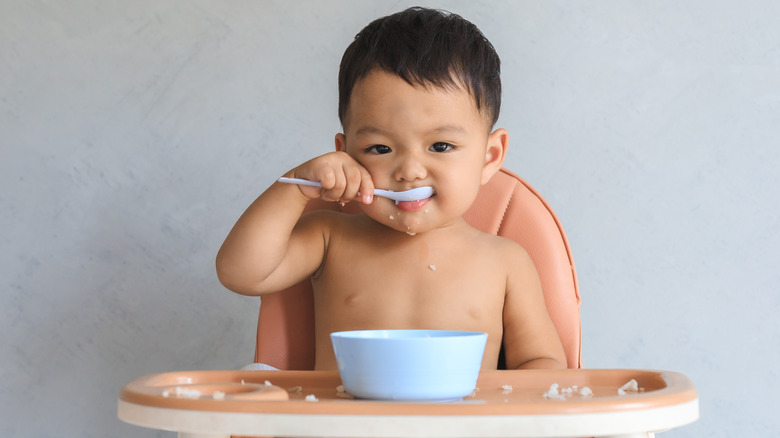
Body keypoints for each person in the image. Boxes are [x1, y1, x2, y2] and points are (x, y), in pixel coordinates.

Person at [216, 7, 566, 371]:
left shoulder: (506, 261)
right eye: (380, 149)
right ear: (345, 154)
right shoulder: (329, 237)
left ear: (489, 157)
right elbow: (240, 273)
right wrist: (296, 187)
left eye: (441, 146)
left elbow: (543, 362)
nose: (410, 172)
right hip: (345, 426)